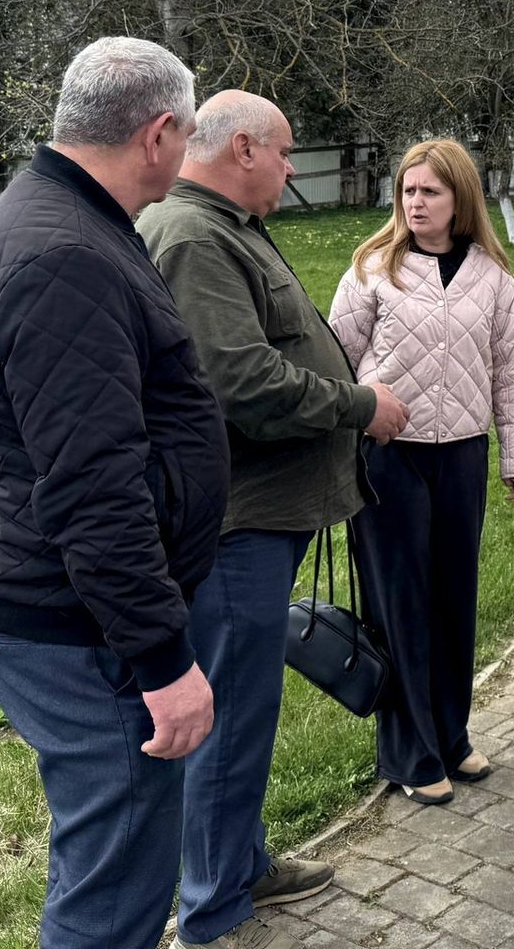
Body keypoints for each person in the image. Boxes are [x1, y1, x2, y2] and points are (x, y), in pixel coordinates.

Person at [0, 38, 229, 949]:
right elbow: (93, 488)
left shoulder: (64, 220)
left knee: (105, 866)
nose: (185, 155)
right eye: (187, 136)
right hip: (86, 632)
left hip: (77, 613)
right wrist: (163, 663)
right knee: (112, 898)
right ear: (157, 135)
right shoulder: (62, 254)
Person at [136, 92, 411, 949]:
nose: (293, 170)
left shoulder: (224, 226)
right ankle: (215, 908)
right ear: (245, 148)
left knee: (245, 706)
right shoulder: (192, 236)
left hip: (261, 516)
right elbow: (240, 385)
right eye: (286, 152)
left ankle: (240, 861)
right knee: (229, 712)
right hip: (238, 525)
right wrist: (359, 405)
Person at [329, 140, 514, 807]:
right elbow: (335, 360)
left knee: (452, 599)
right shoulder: (372, 270)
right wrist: (354, 421)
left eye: (430, 192)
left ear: (459, 199)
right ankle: (409, 752)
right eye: (408, 191)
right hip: (389, 458)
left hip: (461, 456)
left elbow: (511, 370)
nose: (416, 203)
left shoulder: (491, 277)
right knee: (401, 605)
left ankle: (450, 735)